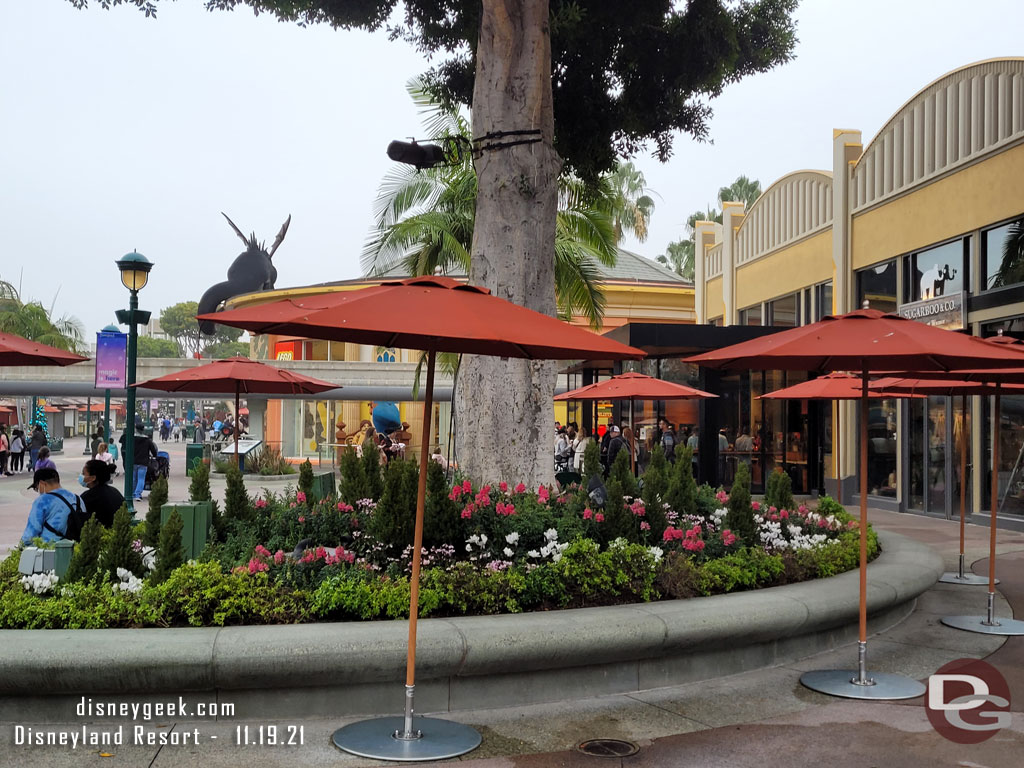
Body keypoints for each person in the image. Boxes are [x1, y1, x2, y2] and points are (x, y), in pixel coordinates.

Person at [21, 468, 82, 544]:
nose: (37, 491)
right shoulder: (78, 499)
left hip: (51, 551)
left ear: (42, 483)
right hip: (76, 549)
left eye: (36, 488)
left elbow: (30, 535)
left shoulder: (42, 501)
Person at [79, 459, 124, 528]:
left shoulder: (88, 497)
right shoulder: (115, 491)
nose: (81, 476)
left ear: (93, 478)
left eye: (83, 474)